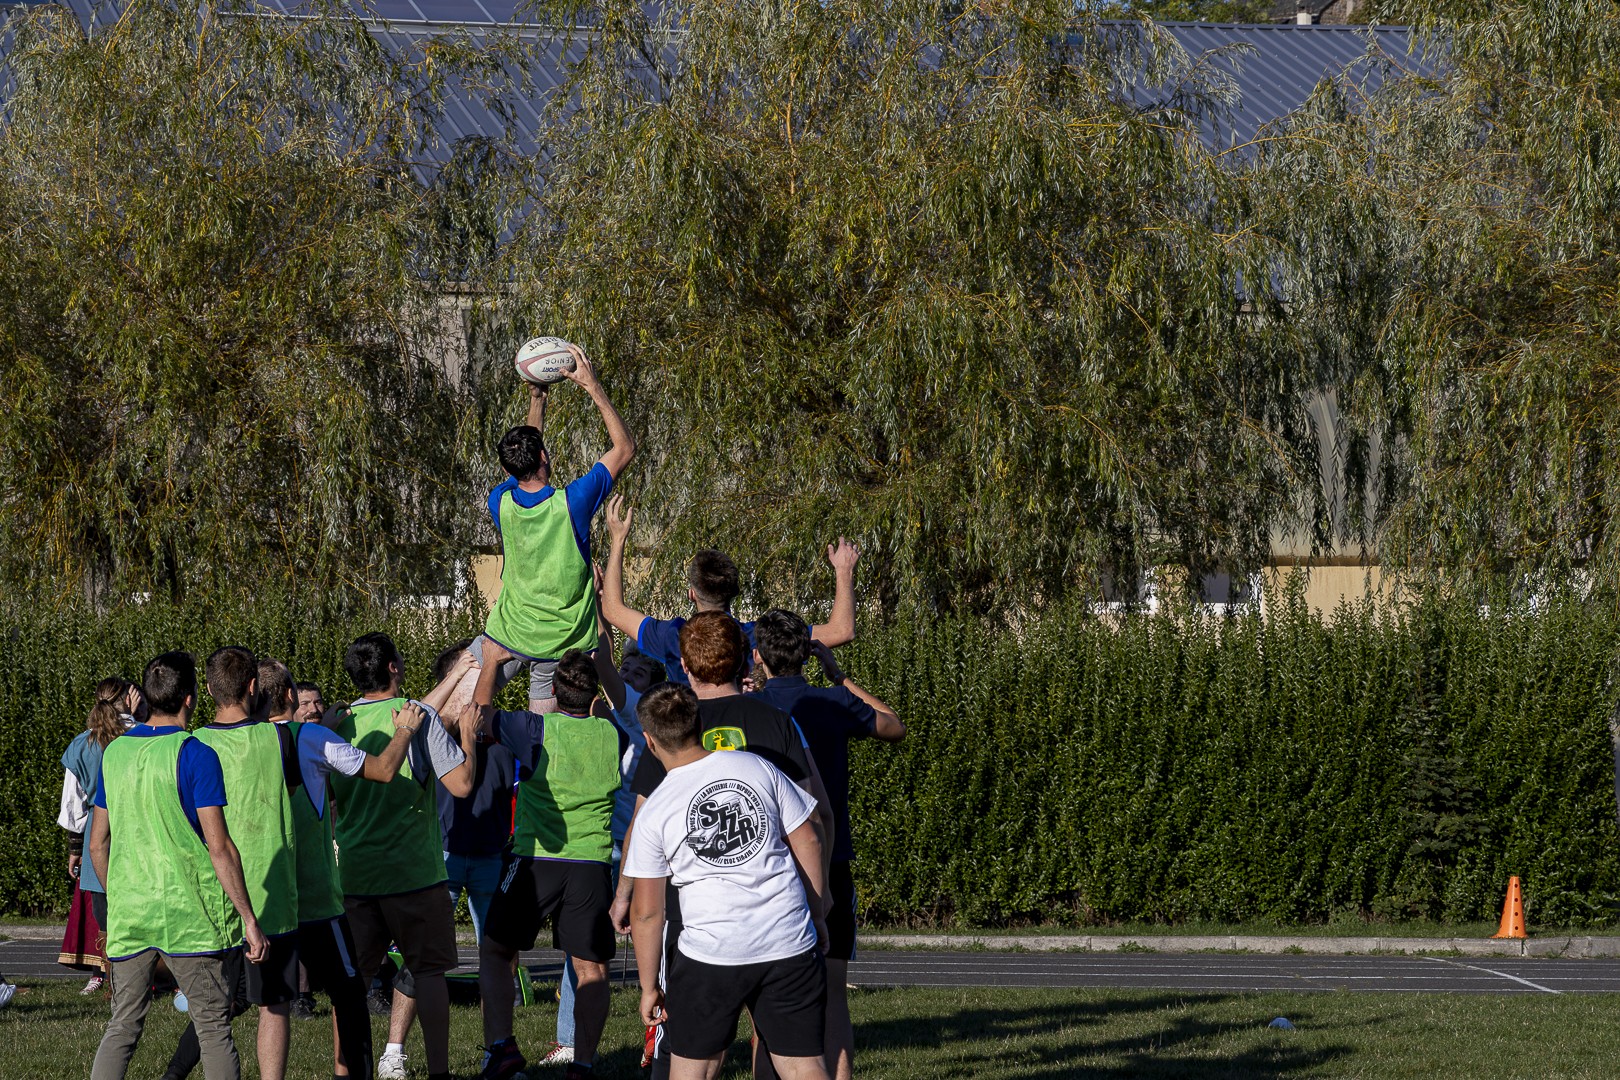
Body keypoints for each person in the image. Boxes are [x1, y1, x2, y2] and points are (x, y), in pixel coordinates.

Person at [611, 612, 834, 1079]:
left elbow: (648, 912)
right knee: (802, 1065)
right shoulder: (760, 763)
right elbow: (811, 831)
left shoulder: (660, 796)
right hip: (785, 935)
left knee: (693, 1067)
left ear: (650, 742)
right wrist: (816, 911)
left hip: (707, 943)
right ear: (746, 661)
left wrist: (648, 984)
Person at [88, 651, 269, 1080]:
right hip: (192, 917)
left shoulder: (114, 754)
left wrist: (121, 899)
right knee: (213, 1029)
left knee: (122, 1026)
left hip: (132, 914)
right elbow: (219, 847)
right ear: (192, 697)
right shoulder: (195, 753)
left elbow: (97, 844)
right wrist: (249, 918)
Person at [749, 610, 906, 1080]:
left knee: (766, 1000)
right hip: (830, 856)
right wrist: (840, 677)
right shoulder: (833, 702)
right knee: (833, 992)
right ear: (808, 653)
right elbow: (893, 725)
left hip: (768, 863)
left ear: (758, 656)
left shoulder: (750, 709)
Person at [262, 656, 430, 1079]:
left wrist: (326, 729)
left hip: (265, 897)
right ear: (289, 695)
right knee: (349, 993)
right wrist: (405, 729)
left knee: (255, 1004)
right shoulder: (312, 738)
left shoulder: (234, 740)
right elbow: (384, 769)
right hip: (316, 897)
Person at [474, 643, 627, 1080]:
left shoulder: (534, 728)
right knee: (591, 968)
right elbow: (610, 710)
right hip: (592, 864)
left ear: (554, 691)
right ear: (593, 694)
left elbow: (479, 716)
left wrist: (492, 663)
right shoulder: (613, 733)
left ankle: (501, 1047)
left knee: (496, 950)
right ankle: (583, 1064)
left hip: (536, 858)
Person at [329, 632, 477, 1080]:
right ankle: (438, 1073)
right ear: (393, 667)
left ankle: (345, 1071)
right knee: (428, 974)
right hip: (415, 874)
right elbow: (461, 785)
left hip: (356, 874)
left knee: (351, 984)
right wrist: (468, 739)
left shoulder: (338, 724)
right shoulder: (420, 718)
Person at [472, 344, 636, 714]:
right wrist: (592, 386)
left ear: (508, 470)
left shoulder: (500, 501)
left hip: (510, 630)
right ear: (544, 457)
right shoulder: (572, 503)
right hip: (561, 641)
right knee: (545, 730)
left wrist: (537, 399)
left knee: (465, 706)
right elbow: (624, 447)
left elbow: (525, 455)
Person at [547, 625, 666, 1067]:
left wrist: (598, 611)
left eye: (637, 673)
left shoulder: (640, 716)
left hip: (641, 847)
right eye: (626, 669)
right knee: (583, 948)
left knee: (658, 938)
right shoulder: (601, 722)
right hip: (602, 843)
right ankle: (569, 1041)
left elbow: (605, 668)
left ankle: (661, 1035)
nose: (626, 676)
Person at [598, 495, 859, 686]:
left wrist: (618, 539)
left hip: (691, 737)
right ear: (734, 592)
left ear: (691, 593)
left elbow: (612, 609)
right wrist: (843, 571)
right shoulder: (756, 637)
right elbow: (842, 631)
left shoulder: (673, 636)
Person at [59, 677, 142, 993]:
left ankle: (115, 980)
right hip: (139, 829)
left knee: (106, 913)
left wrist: (74, 848)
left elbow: (73, 805)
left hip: (99, 832)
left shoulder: (83, 744)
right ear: (129, 699)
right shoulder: (143, 736)